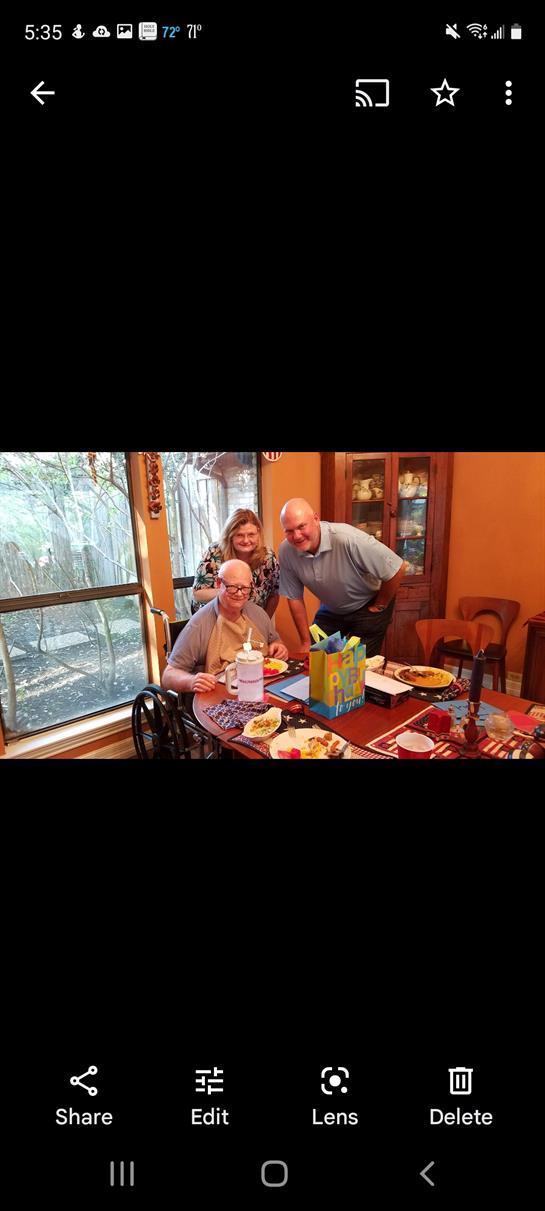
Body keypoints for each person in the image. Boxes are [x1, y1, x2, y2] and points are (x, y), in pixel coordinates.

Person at [278, 498, 408, 659]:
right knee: (316, 657)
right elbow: (294, 597)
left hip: (368, 604)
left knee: (358, 666)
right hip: (333, 608)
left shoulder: (348, 538)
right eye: (289, 531)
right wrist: (305, 642)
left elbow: (398, 568)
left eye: (301, 526)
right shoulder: (286, 551)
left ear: (316, 519)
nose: (296, 536)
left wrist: (380, 606)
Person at [162, 559, 288, 695]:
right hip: (217, 693)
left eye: (245, 588)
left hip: (259, 687)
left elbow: (275, 641)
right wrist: (192, 681)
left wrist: (278, 646)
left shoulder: (257, 613)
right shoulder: (198, 625)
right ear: (218, 583)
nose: (239, 594)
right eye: (232, 587)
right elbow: (168, 676)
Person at [192, 509, 279, 618]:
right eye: (240, 535)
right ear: (230, 536)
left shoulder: (268, 557)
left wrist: (263, 624)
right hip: (214, 620)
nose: (246, 540)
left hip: (251, 623)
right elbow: (198, 594)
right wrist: (229, 591)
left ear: (258, 533)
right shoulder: (214, 552)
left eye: (251, 534)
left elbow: (274, 595)